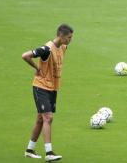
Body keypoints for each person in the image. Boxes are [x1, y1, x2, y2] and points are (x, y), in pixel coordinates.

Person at [21, 24, 74, 161]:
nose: (70, 40)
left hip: (52, 88)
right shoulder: (47, 49)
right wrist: (37, 68)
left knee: (40, 119)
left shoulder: (63, 47)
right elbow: (25, 56)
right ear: (61, 36)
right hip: (41, 87)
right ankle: (49, 152)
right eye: (69, 37)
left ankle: (29, 150)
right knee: (48, 117)